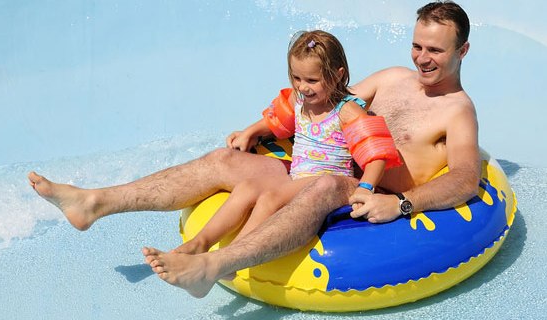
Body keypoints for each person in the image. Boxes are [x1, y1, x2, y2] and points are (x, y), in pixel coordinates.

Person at [141, 0, 480, 298]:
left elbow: (465, 178)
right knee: (230, 163)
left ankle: (213, 266)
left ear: (462, 51)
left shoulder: (458, 111)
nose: (422, 58)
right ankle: (100, 203)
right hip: (320, 166)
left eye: (435, 50)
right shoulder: (392, 77)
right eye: (417, 46)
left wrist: (401, 203)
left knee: (325, 185)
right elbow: (325, 103)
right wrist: (257, 130)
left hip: (361, 188)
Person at [171, 30, 400, 255]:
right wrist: (250, 131)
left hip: (326, 185)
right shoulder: (299, 100)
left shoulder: (347, 111)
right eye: (297, 77)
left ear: (338, 75)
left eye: (312, 80)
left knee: (271, 198)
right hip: (298, 178)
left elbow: (376, 153)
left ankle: (232, 255)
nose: (302, 86)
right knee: (247, 187)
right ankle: (201, 242)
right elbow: (277, 120)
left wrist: (365, 187)